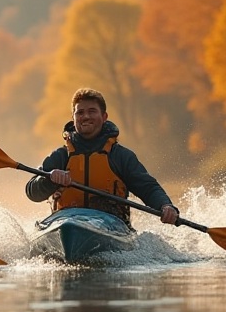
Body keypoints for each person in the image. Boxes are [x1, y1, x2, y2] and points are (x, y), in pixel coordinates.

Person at [25, 88, 180, 228]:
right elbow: (32, 191)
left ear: (104, 116)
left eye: (92, 111)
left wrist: (165, 206)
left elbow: (148, 188)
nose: (85, 116)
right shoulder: (60, 156)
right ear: (73, 118)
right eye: (80, 112)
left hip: (111, 225)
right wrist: (49, 180)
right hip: (66, 222)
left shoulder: (121, 156)